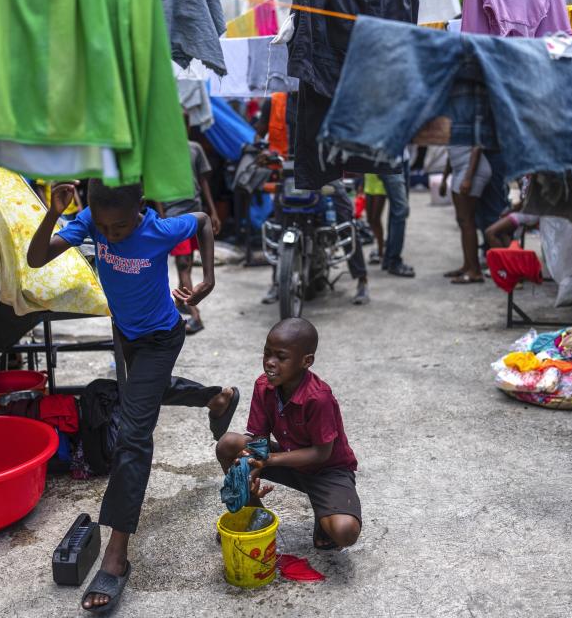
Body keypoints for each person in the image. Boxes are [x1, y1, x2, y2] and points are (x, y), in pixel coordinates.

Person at [27, 179, 238, 613]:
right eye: (104, 228)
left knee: (133, 436)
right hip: (125, 335)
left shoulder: (158, 230)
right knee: (145, 395)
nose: (112, 234)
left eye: (120, 226)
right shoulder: (91, 220)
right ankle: (216, 399)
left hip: (163, 338)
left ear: (140, 209)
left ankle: (117, 556)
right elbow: (35, 259)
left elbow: (201, 221)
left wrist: (207, 280)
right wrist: (55, 212)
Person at [216, 318, 361, 550]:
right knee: (229, 444)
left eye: (281, 357)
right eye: (267, 354)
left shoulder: (318, 397)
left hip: (327, 471)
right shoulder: (264, 386)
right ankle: (257, 517)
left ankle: (324, 510)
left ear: (307, 361)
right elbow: (260, 439)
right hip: (289, 460)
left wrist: (269, 460)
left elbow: (322, 453)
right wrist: (249, 472)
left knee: (344, 532)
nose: (270, 363)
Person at [261, 180, 370, 305]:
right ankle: (277, 281)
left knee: (346, 223)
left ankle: (362, 280)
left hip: (325, 178)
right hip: (293, 179)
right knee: (278, 226)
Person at [156, 140, 221, 335]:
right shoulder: (159, 150)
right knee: (184, 265)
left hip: (196, 213)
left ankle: (180, 302)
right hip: (173, 215)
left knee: (188, 263)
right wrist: (162, 217)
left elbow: (203, 182)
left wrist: (213, 211)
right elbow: (155, 186)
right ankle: (195, 315)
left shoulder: (195, 148)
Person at [443, 146, 493, 284]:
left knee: (467, 220)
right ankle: (468, 266)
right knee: (462, 220)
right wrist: (444, 178)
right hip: (460, 169)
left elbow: (477, 146)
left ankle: (475, 271)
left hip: (471, 168)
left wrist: (468, 177)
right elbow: (451, 152)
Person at [378, 169, 415, 278]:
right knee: (401, 210)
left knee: (397, 210)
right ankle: (393, 261)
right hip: (389, 159)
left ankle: (389, 259)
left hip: (402, 159)